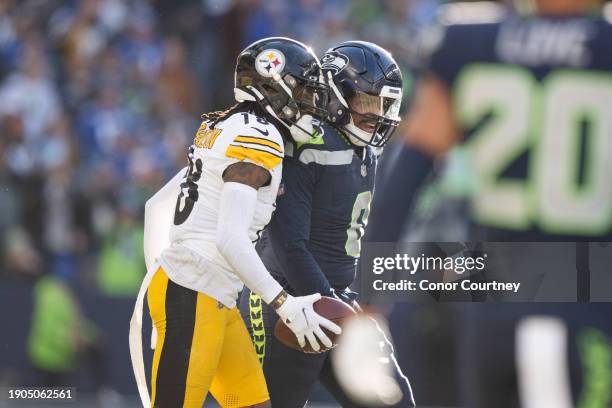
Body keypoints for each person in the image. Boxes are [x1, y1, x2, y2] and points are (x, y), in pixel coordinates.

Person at [366, 0, 612, 406]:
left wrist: (367, 297)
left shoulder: (470, 41)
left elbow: (406, 176)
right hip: (585, 300)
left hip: (491, 305)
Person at [129, 37, 341, 408]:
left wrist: (163, 275)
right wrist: (284, 304)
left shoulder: (228, 123)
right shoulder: (258, 136)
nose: (310, 103)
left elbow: (156, 204)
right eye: (304, 91)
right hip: (195, 290)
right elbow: (229, 238)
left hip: (209, 292)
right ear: (276, 86)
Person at [239, 41, 415, 407]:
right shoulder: (307, 143)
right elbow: (288, 243)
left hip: (335, 298)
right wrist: (337, 312)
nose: (377, 113)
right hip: (288, 299)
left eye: (385, 104)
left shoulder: (365, 145)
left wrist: (350, 306)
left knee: (394, 401)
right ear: (336, 96)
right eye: (368, 101)